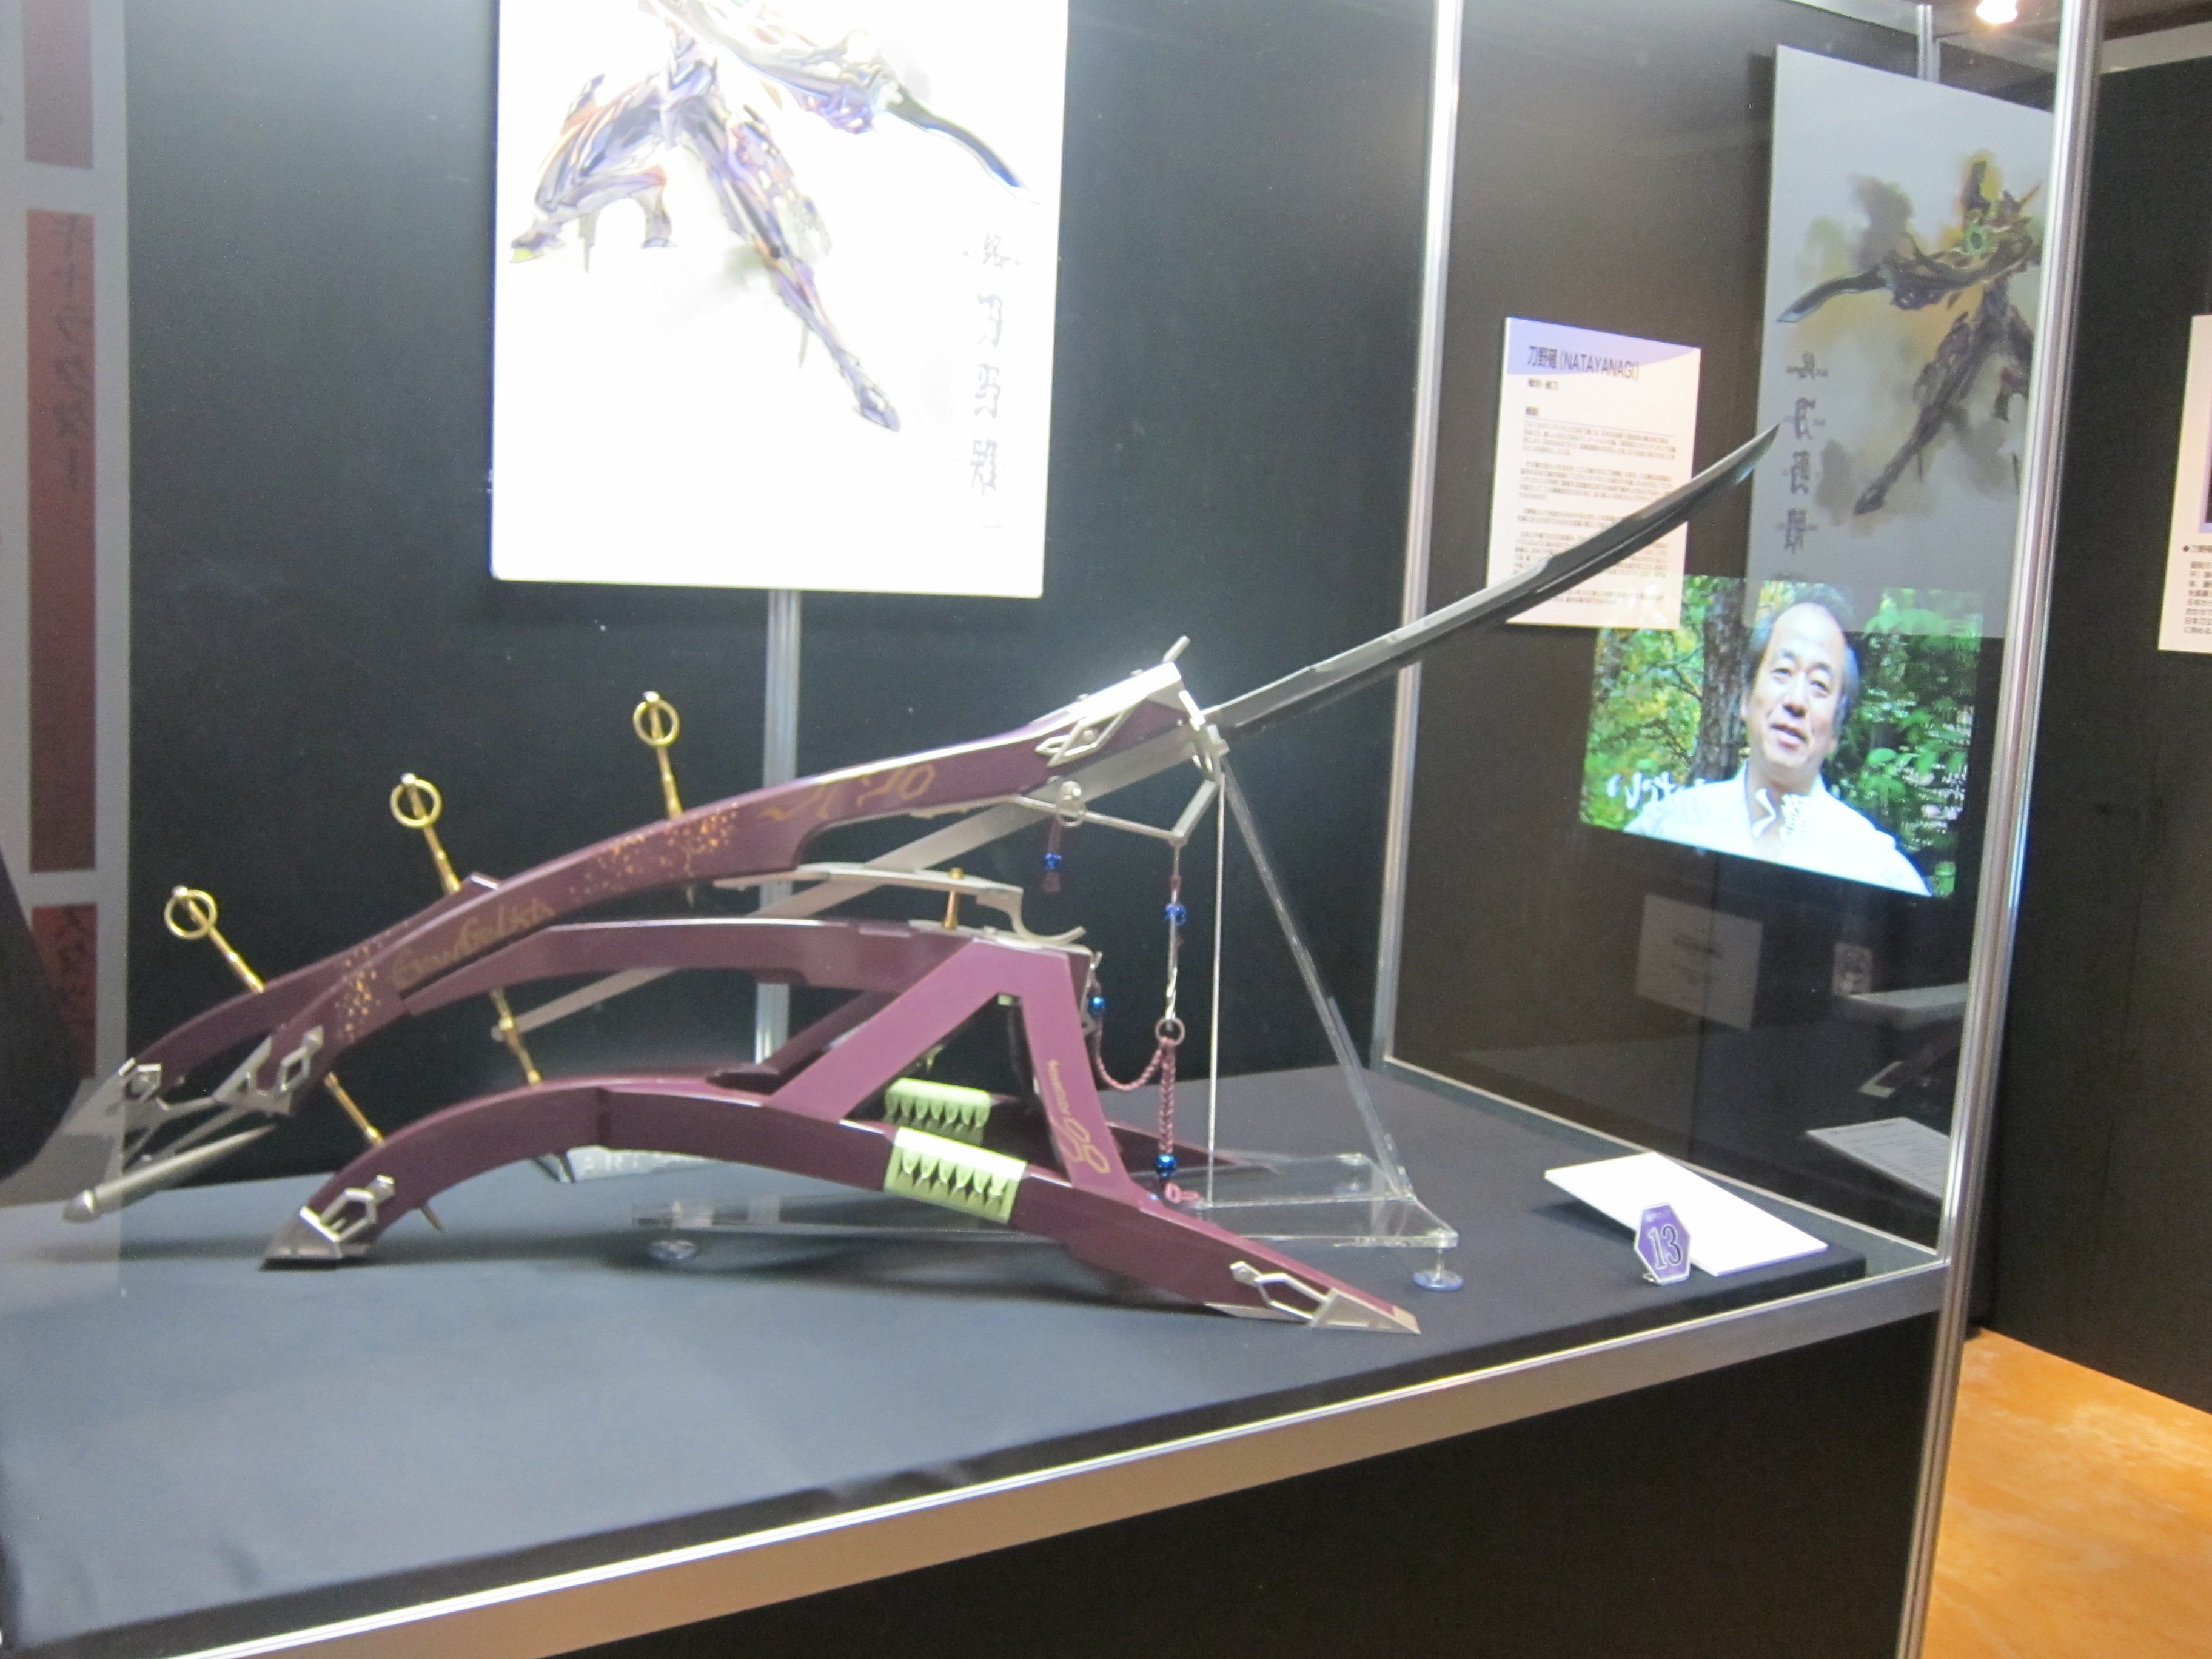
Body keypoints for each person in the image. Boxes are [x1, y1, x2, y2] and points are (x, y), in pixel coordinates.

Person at [1626, 596, 1929, 895]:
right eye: (1783, 671)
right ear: (1746, 699)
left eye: (1819, 685)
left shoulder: (1875, 869)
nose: (1796, 701)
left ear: (1835, 734)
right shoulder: (1668, 827)